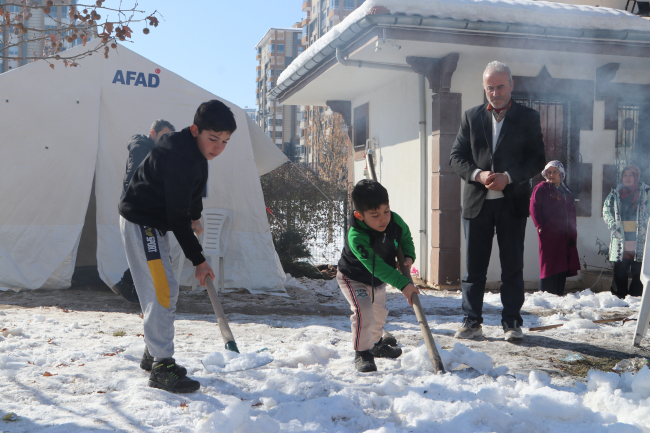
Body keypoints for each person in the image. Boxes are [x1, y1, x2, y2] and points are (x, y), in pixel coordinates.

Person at [118, 100, 236, 392]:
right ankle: (161, 366)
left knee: (164, 290)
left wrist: (196, 215)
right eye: (213, 139)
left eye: (225, 141)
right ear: (195, 129)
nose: (218, 147)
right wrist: (199, 261)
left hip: (155, 223)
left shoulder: (196, 152)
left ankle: (153, 352)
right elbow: (176, 216)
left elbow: (195, 188)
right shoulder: (177, 157)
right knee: (162, 289)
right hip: (142, 222)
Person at [449, 61, 546, 341]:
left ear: (512, 86)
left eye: (500, 86)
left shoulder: (528, 117)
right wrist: (478, 175)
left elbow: (537, 159)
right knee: (473, 268)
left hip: (511, 203)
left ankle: (512, 322)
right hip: (477, 203)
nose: (495, 92)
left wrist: (510, 176)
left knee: (512, 266)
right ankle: (471, 321)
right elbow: (456, 157)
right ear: (484, 88)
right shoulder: (471, 116)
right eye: (490, 87)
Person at [337, 179, 420, 373]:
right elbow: (378, 267)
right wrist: (403, 284)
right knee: (364, 312)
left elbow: (405, 237)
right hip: (353, 278)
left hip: (377, 282)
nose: (383, 219)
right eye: (375, 215)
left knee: (379, 315)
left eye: (386, 211)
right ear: (359, 215)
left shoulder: (394, 221)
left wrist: (408, 256)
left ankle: (374, 343)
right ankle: (363, 353)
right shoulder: (356, 236)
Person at [112, 119, 176, 304]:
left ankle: (129, 286)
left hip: (150, 214)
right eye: (163, 136)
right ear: (153, 133)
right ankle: (141, 293)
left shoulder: (157, 152)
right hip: (140, 213)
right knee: (152, 255)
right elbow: (133, 179)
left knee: (153, 254)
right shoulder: (141, 149)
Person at [529, 161, 580, 296]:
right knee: (549, 263)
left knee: (562, 263)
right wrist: (540, 226)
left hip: (564, 233)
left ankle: (558, 293)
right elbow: (533, 207)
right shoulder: (542, 188)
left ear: (561, 174)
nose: (551, 175)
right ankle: (546, 294)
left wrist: (572, 231)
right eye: (549, 172)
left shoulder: (565, 190)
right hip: (548, 233)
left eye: (554, 172)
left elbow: (571, 211)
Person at [603, 164, 650, 298]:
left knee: (639, 271)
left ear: (636, 177)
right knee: (620, 270)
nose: (627, 178)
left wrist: (646, 225)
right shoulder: (615, 192)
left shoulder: (646, 192)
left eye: (631, 175)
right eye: (625, 175)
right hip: (620, 237)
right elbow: (607, 209)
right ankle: (618, 298)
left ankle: (636, 298)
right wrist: (612, 224)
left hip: (640, 238)